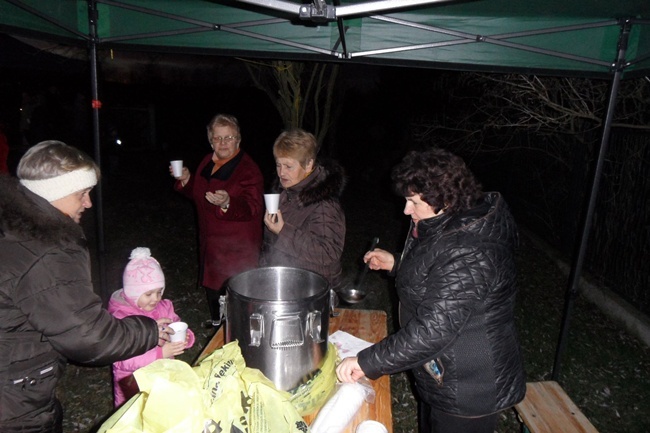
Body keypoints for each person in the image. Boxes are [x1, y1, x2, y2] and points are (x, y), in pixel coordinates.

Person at [336, 147, 526, 433]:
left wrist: (367, 362)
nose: (405, 210)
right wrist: (396, 264)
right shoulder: (442, 222)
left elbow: (434, 329)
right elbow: (439, 275)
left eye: (413, 202)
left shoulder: (471, 249)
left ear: (445, 198)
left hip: (468, 388)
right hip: (441, 372)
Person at [0, 140, 171, 433]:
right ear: (54, 192)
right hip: (12, 403)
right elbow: (88, 336)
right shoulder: (46, 250)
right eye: (82, 193)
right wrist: (150, 331)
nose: (89, 203)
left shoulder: (11, 224)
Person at [172, 114, 264, 325]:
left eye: (229, 138)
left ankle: (238, 344)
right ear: (210, 140)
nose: (223, 143)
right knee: (215, 302)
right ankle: (219, 333)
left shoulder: (248, 170)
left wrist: (227, 203)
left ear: (238, 139)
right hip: (212, 249)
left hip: (237, 253)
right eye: (218, 138)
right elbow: (201, 195)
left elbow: (253, 208)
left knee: (238, 306)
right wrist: (187, 180)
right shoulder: (207, 161)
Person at [108, 247, 196, 407]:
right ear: (132, 293)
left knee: (161, 412)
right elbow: (122, 359)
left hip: (163, 377)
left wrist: (186, 337)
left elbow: (175, 324)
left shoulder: (163, 308)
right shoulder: (122, 319)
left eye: (159, 292)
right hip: (133, 385)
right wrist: (161, 353)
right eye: (148, 294)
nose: (155, 299)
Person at [260, 128, 346, 291]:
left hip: (313, 291)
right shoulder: (286, 192)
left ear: (308, 165)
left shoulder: (324, 204)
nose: (281, 173)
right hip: (285, 282)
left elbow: (329, 252)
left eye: (288, 166)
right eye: (278, 164)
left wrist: (283, 231)